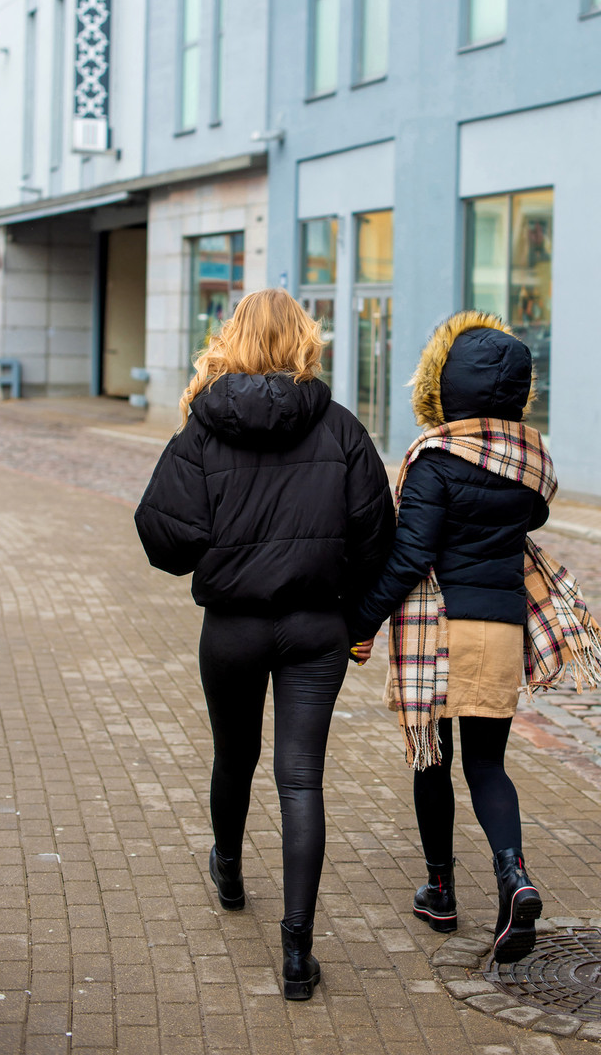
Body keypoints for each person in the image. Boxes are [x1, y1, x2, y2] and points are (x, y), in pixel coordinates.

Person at [134, 288, 394, 1000]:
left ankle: (227, 866)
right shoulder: (340, 428)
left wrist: (221, 538)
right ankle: (297, 954)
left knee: (234, 757)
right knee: (300, 777)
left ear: (234, 338)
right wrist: (358, 618)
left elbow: (164, 538)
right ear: (305, 340)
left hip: (233, 629)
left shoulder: (203, 429)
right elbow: (378, 540)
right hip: (318, 628)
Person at [351, 310, 601, 963]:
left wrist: (360, 623)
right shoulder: (529, 460)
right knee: (488, 765)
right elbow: (535, 514)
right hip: (499, 629)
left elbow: (410, 557)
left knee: (431, 758)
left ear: (448, 386)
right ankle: (514, 880)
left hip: (437, 632)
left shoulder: (435, 460)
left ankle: (440, 890)